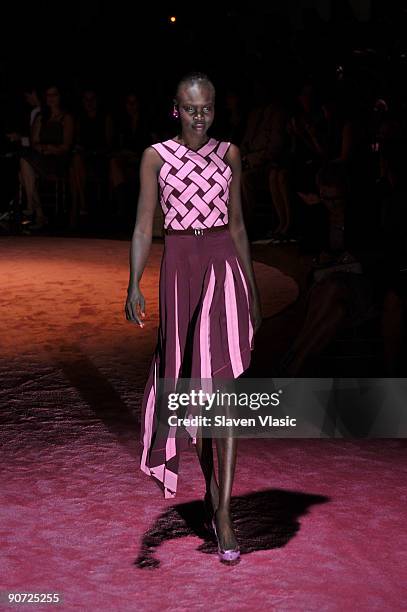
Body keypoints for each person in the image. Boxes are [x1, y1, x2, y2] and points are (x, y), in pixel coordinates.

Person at [125, 72, 262, 563]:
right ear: (175, 109)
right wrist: (133, 282)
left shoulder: (230, 154)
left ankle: (223, 511)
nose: (199, 117)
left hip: (223, 268)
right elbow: (144, 225)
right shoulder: (155, 158)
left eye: (206, 108)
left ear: (215, 108)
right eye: (190, 108)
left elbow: (240, 225)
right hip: (180, 271)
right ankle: (211, 489)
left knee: (222, 392)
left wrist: (252, 289)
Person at [19, 84, 74, 229]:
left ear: (60, 96)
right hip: (41, 157)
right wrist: (44, 149)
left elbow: (66, 146)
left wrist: (51, 149)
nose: (51, 98)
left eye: (54, 94)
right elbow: (35, 141)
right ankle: (37, 212)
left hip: (58, 159)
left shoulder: (66, 117)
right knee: (24, 166)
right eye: (48, 95)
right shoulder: (40, 117)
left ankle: (36, 210)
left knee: (24, 169)